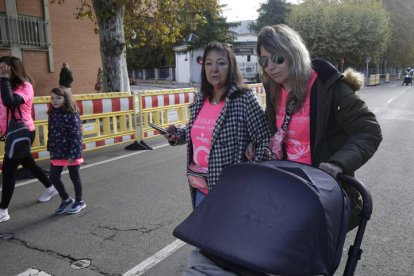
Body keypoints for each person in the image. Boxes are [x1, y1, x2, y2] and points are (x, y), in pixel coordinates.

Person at [256, 24, 382, 230]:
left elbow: (369, 129)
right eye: (264, 60)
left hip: (320, 190)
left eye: (278, 58)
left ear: (294, 53)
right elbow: (273, 130)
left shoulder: (327, 85)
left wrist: (338, 163)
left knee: (309, 255)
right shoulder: (273, 88)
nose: (270, 66)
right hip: (284, 186)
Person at [165, 41, 271, 207]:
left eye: (221, 63)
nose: (214, 69)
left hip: (232, 193)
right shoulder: (201, 98)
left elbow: (265, 139)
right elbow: (197, 132)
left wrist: (248, 175)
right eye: (209, 63)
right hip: (200, 188)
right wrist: (177, 135)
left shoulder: (244, 98)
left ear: (231, 66)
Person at [0, 56, 58, 223]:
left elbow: (9, 101)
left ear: (14, 70)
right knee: (28, 164)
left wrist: (3, 80)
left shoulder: (26, 87)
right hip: (11, 132)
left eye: (4, 68)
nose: (1, 72)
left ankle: (3, 210)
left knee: (8, 171)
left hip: (22, 133)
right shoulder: (5, 85)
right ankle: (50, 188)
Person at [47, 86, 86, 214]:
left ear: (66, 99)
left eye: (58, 98)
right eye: (52, 98)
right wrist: (50, 147)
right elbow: (51, 133)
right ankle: (66, 199)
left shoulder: (72, 114)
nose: (55, 101)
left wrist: (74, 154)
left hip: (71, 152)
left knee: (74, 177)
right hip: (57, 151)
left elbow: (76, 135)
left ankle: (79, 201)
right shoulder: (52, 113)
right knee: (53, 177)